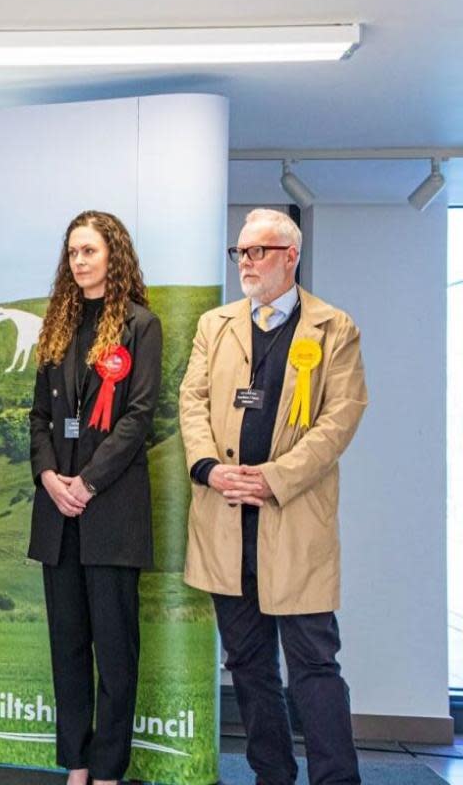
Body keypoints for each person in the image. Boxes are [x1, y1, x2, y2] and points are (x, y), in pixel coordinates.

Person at [181, 208, 367, 785]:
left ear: (291, 256)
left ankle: (336, 778)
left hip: (293, 520)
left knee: (313, 666)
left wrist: (276, 477)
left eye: (258, 252)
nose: (247, 264)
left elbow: (341, 418)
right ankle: (272, 777)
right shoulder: (216, 325)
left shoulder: (334, 328)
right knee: (248, 666)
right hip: (226, 520)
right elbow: (191, 400)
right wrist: (208, 467)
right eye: (240, 253)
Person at [27, 210, 161, 785]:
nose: (80, 261)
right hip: (59, 517)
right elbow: (38, 420)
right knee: (68, 651)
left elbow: (138, 418)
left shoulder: (139, 325)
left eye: (90, 250)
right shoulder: (56, 328)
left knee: (115, 653)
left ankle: (107, 770)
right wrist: (51, 478)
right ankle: (76, 766)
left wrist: (87, 482)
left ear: (114, 254)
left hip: (110, 513)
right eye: (73, 252)